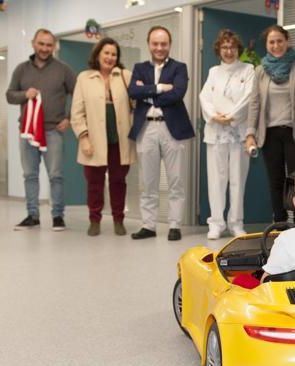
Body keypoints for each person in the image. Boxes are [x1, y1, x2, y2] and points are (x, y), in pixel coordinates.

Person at [246, 24, 295, 224]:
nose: (276, 45)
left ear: (287, 42)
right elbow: (255, 103)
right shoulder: (261, 71)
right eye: (272, 42)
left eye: (280, 41)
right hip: (269, 134)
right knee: (276, 182)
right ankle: (279, 224)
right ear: (267, 45)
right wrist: (250, 133)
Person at [128, 26, 195, 241]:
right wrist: (159, 88)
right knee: (148, 181)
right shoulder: (139, 68)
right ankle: (148, 225)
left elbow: (177, 93)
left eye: (163, 43)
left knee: (176, 180)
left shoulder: (179, 68)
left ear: (169, 45)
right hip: (146, 128)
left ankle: (174, 224)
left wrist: (146, 91)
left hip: (171, 127)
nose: (159, 48)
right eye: (155, 43)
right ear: (149, 44)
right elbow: (132, 91)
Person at [6, 28, 76, 231]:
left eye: (49, 45)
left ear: (53, 46)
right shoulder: (21, 69)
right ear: (33, 44)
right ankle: (32, 216)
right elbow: (9, 95)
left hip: (54, 131)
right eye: (41, 44)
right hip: (27, 132)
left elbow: (79, 94)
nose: (45, 48)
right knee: (30, 175)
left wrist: (69, 118)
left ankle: (57, 217)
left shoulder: (63, 69)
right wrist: (24, 95)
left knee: (56, 175)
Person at [71, 37, 136, 236]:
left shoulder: (126, 75)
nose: (110, 57)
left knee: (118, 181)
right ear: (98, 54)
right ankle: (94, 220)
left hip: (120, 138)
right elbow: (76, 111)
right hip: (94, 139)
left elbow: (136, 104)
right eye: (106, 53)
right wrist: (83, 137)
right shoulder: (84, 77)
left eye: (114, 54)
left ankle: (118, 219)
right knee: (94, 182)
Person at [199, 29, 254, 240]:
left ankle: (236, 223)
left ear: (238, 48)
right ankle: (216, 223)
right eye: (224, 47)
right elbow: (204, 97)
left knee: (237, 179)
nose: (228, 51)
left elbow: (249, 97)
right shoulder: (213, 72)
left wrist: (230, 116)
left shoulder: (248, 70)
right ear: (218, 50)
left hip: (239, 132)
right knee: (216, 179)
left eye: (232, 47)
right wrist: (214, 116)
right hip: (215, 132)